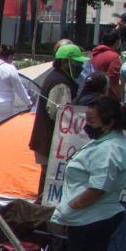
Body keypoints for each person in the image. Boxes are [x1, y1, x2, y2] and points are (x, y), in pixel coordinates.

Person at [50, 96, 126, 251]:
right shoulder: (111, 143)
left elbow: (99, 186)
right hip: (95, 214)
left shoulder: (109, 148)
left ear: (108, 123)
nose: (87, 125)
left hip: (91, 217)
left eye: (91, 120)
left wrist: (73, 205)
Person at [30, 42, 82, 176]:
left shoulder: (56, 76)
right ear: (65, 62)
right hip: (51, 141)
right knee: (49, 178)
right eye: (77, 63)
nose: (81, 67)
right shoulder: (61, 83)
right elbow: (59, 115)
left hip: (48, 140)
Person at [89, 27, 124, 96]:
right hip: (106, 97)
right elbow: (113, 80)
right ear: (117, 41)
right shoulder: (114, 57)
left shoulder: (93, 54)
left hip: (92, 93)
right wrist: (119, 97)